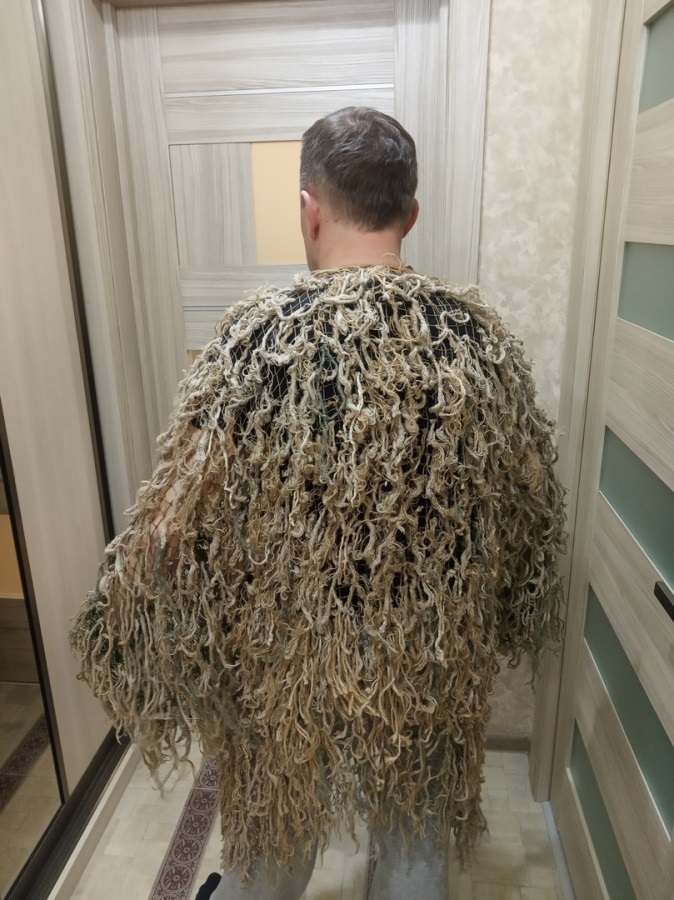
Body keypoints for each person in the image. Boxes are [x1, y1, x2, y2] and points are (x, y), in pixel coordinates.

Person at [71, 107, 566, 900]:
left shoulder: (256, 344)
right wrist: (500, 613)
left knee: (275, 844)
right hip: (429, 656)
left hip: (289, 657)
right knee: (414, 850)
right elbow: (528, 509)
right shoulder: (479, 343)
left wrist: (127, 626)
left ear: (309, 210)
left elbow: (171, 522)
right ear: (410, 213)